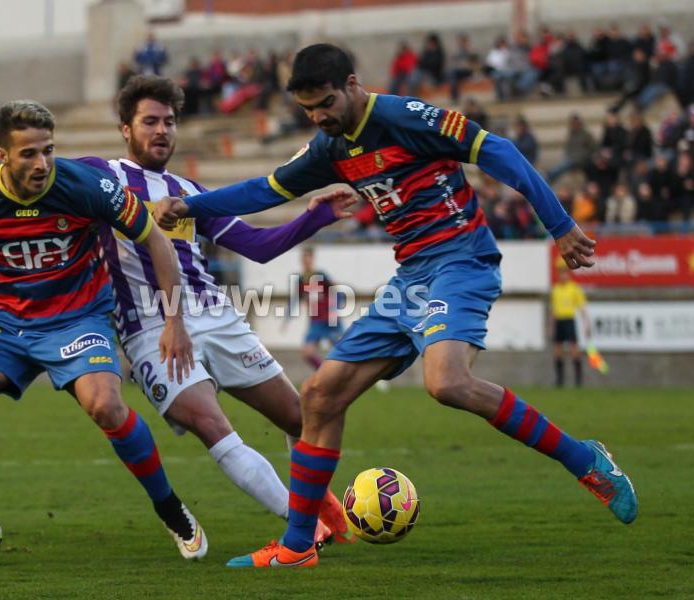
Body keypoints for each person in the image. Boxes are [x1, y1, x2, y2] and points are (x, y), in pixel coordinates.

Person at [152, 43, 639, 569]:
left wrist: (560, 226)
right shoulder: (330, 146)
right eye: (309, 109)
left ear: (354, 84)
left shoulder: (407, 117)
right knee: (319, 395)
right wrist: (191, 207)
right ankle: (297, 547)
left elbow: (501, 152)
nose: (319, 116)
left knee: (446, 383)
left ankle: (585, 459)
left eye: (326, 103)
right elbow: (264, 190)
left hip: (461, 262)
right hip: (411, 279)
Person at [0, 100, 207, 559]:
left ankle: (171, 508)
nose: (42, 163)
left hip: (79, 320)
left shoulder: (86, 185)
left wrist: (174, 319)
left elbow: (153, 236)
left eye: (48, 150)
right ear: (3, 157)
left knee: (106, 405)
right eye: (29, 154)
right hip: (9, 326)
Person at [78, 75, 355, 546]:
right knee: (212, 424)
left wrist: (315, 215)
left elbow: (257, 246)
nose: (162, 130)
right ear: (126, 128)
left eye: (169, 121)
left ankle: (321, 508)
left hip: (220, 319)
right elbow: (42, 172)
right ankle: (303, 528)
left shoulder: (189, 190)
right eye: (150, 121)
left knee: (299, 417)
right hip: (151, 328)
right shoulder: (100, 176)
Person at [295, 246, 342, 370]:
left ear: (312, 259)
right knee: (307, 352)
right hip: (316, 321)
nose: (307, 261)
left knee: (343, 351)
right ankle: (324, 373)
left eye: (309, 257)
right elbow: (303, 300)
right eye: (304, 258)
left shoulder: (321, 275)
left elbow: (336, 291)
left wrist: (334, 310)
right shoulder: (300, 281)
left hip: (330, 319)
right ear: (301, 260)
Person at [551, 266, 591, 387]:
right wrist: (552, 326)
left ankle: (578, 381)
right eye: (561, 274)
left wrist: (586, 325)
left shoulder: (574, 289)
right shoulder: (556, 289)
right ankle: (559, 381)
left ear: (568, 275)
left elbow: (582, 308)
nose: (563, 276)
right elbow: (553, 310)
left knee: (574, 349)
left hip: (569, 320)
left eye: (565, 274)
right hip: (559, 321)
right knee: (557, 351)